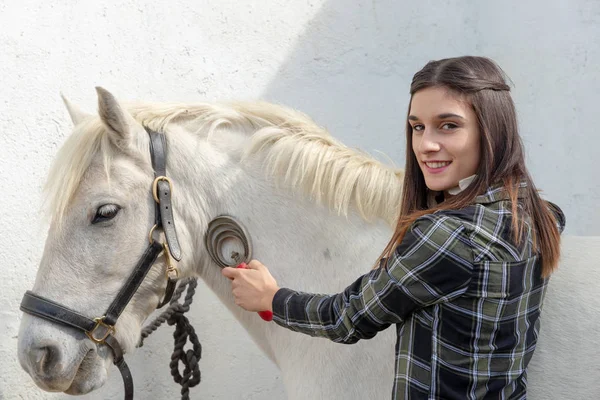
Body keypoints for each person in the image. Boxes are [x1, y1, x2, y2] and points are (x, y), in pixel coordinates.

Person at [221, 56, 566, 399]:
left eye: (448, 125)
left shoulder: (446, 236)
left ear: (492, 130)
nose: (426, 145)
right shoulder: (538, 215)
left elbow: (346, 317)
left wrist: (270, 298)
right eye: (418, 127)